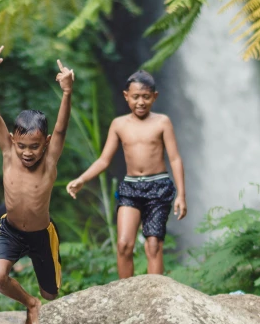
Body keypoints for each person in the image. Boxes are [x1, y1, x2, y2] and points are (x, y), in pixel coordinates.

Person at [0, 46, 74, 324]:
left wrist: (67, 93)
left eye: (34, 146)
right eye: (22, 146)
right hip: (10, 231)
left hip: (41, 235)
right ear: (13, 140)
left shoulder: (49, 161)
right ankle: (29, 304)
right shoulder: (9, 155)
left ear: (45, 143)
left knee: (52, 295)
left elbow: (60, 131)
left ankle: (42, 300)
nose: (27, 152)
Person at [66, 70, 187, 278]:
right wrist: (82, 179)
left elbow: (175, 158)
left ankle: (156, 296)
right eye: (136, 97)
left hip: (158, 186)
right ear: (126, 96)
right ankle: (126, 295)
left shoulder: (162, 122)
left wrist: (181, 195)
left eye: (146, 97)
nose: (141, 102)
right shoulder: (119, 124)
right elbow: (104, 160)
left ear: (155, 97)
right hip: (131, 187)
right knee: (123, 244)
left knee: (153, 244)